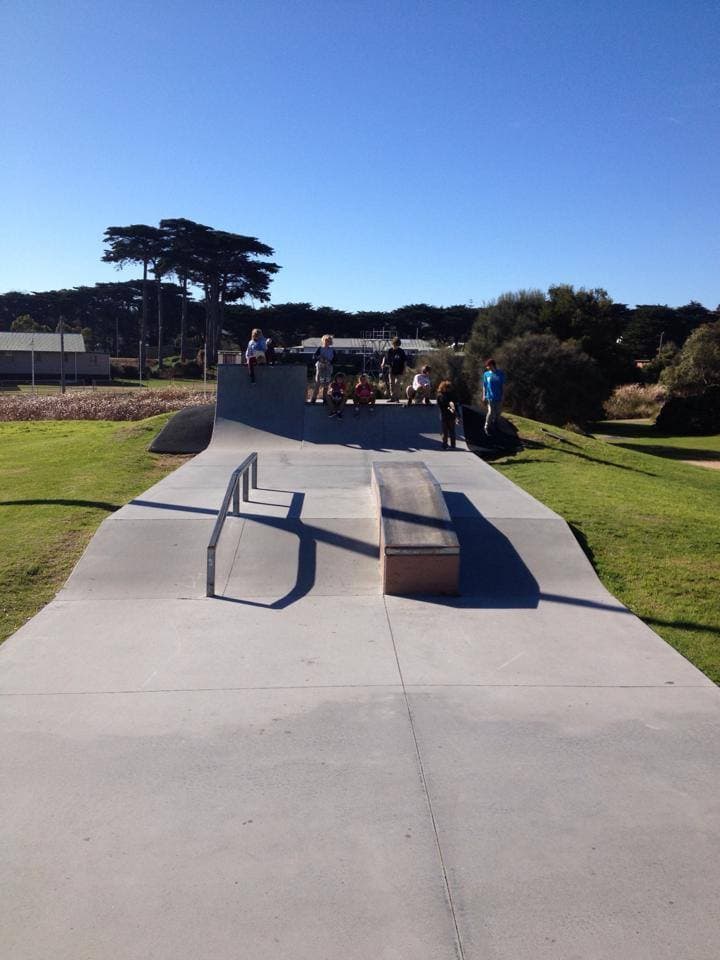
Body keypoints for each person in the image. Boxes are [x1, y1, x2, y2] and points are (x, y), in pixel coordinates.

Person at [482, 357, 505, 435]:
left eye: (488, 366)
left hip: (498, 397)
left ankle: (495, 425)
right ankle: (486, 426)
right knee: (491, 412)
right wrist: (484, 395)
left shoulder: (500, 373)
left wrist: (503, 395)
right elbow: (484, 386)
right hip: (490, 397)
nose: (487, 367)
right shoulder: (486, 374)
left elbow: (502, 385)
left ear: (492, 365)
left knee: (498, 413)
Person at [310, 334, 335, 403]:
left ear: (330, 342)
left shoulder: (332, 350)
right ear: (323, 341)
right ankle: (313, 399)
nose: (327, 342)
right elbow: (314, 356)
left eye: (329, 341)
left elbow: (335, 360)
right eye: (326, 341)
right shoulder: (320, 348)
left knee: (326, 384)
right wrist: (320, 358)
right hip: (320, 368)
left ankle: (325, 398)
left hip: (328, 368)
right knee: (318, 383)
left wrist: (328, 362)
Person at [436, 379, 460, 450]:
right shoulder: (440, 395)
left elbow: (455, 405)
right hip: (444, 415)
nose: (448, 389)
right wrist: (450, 407)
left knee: (452, 431)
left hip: (451, 416)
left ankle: (453, 445)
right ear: (443, 388)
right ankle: (445, 444)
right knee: (445, 431)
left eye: (449, 388)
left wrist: (458, 415)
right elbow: (442, 404)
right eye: (447, 388)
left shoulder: (452, 395)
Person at [381, 337, 407, 401]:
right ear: (392, 344)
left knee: (397, 384)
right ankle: (392, 398)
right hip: (391, 369)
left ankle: (397, 398)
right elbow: (385, 357)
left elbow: (404, 361)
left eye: (397, 345)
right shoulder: (390, 350)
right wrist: (383, 363)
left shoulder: (401, 351)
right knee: (391, 384)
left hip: (399, 370)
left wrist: (404, 369)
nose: (395, 346)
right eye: (394, 345)